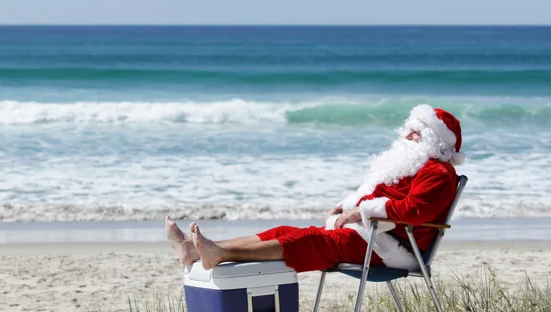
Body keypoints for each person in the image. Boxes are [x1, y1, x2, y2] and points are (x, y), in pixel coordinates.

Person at [165, 104, 466, 272]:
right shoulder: (411, 165)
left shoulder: (437, 173)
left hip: (395, 245)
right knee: (285, 230)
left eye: (416, 132)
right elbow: (381, 195)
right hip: (373, 233)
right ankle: (196, 251)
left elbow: (415, 211)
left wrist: (364, 210)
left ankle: (220, 253)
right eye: (409, 129)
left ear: (434, 141)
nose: (407, 136)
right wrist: (350, 206)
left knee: (309, 241)